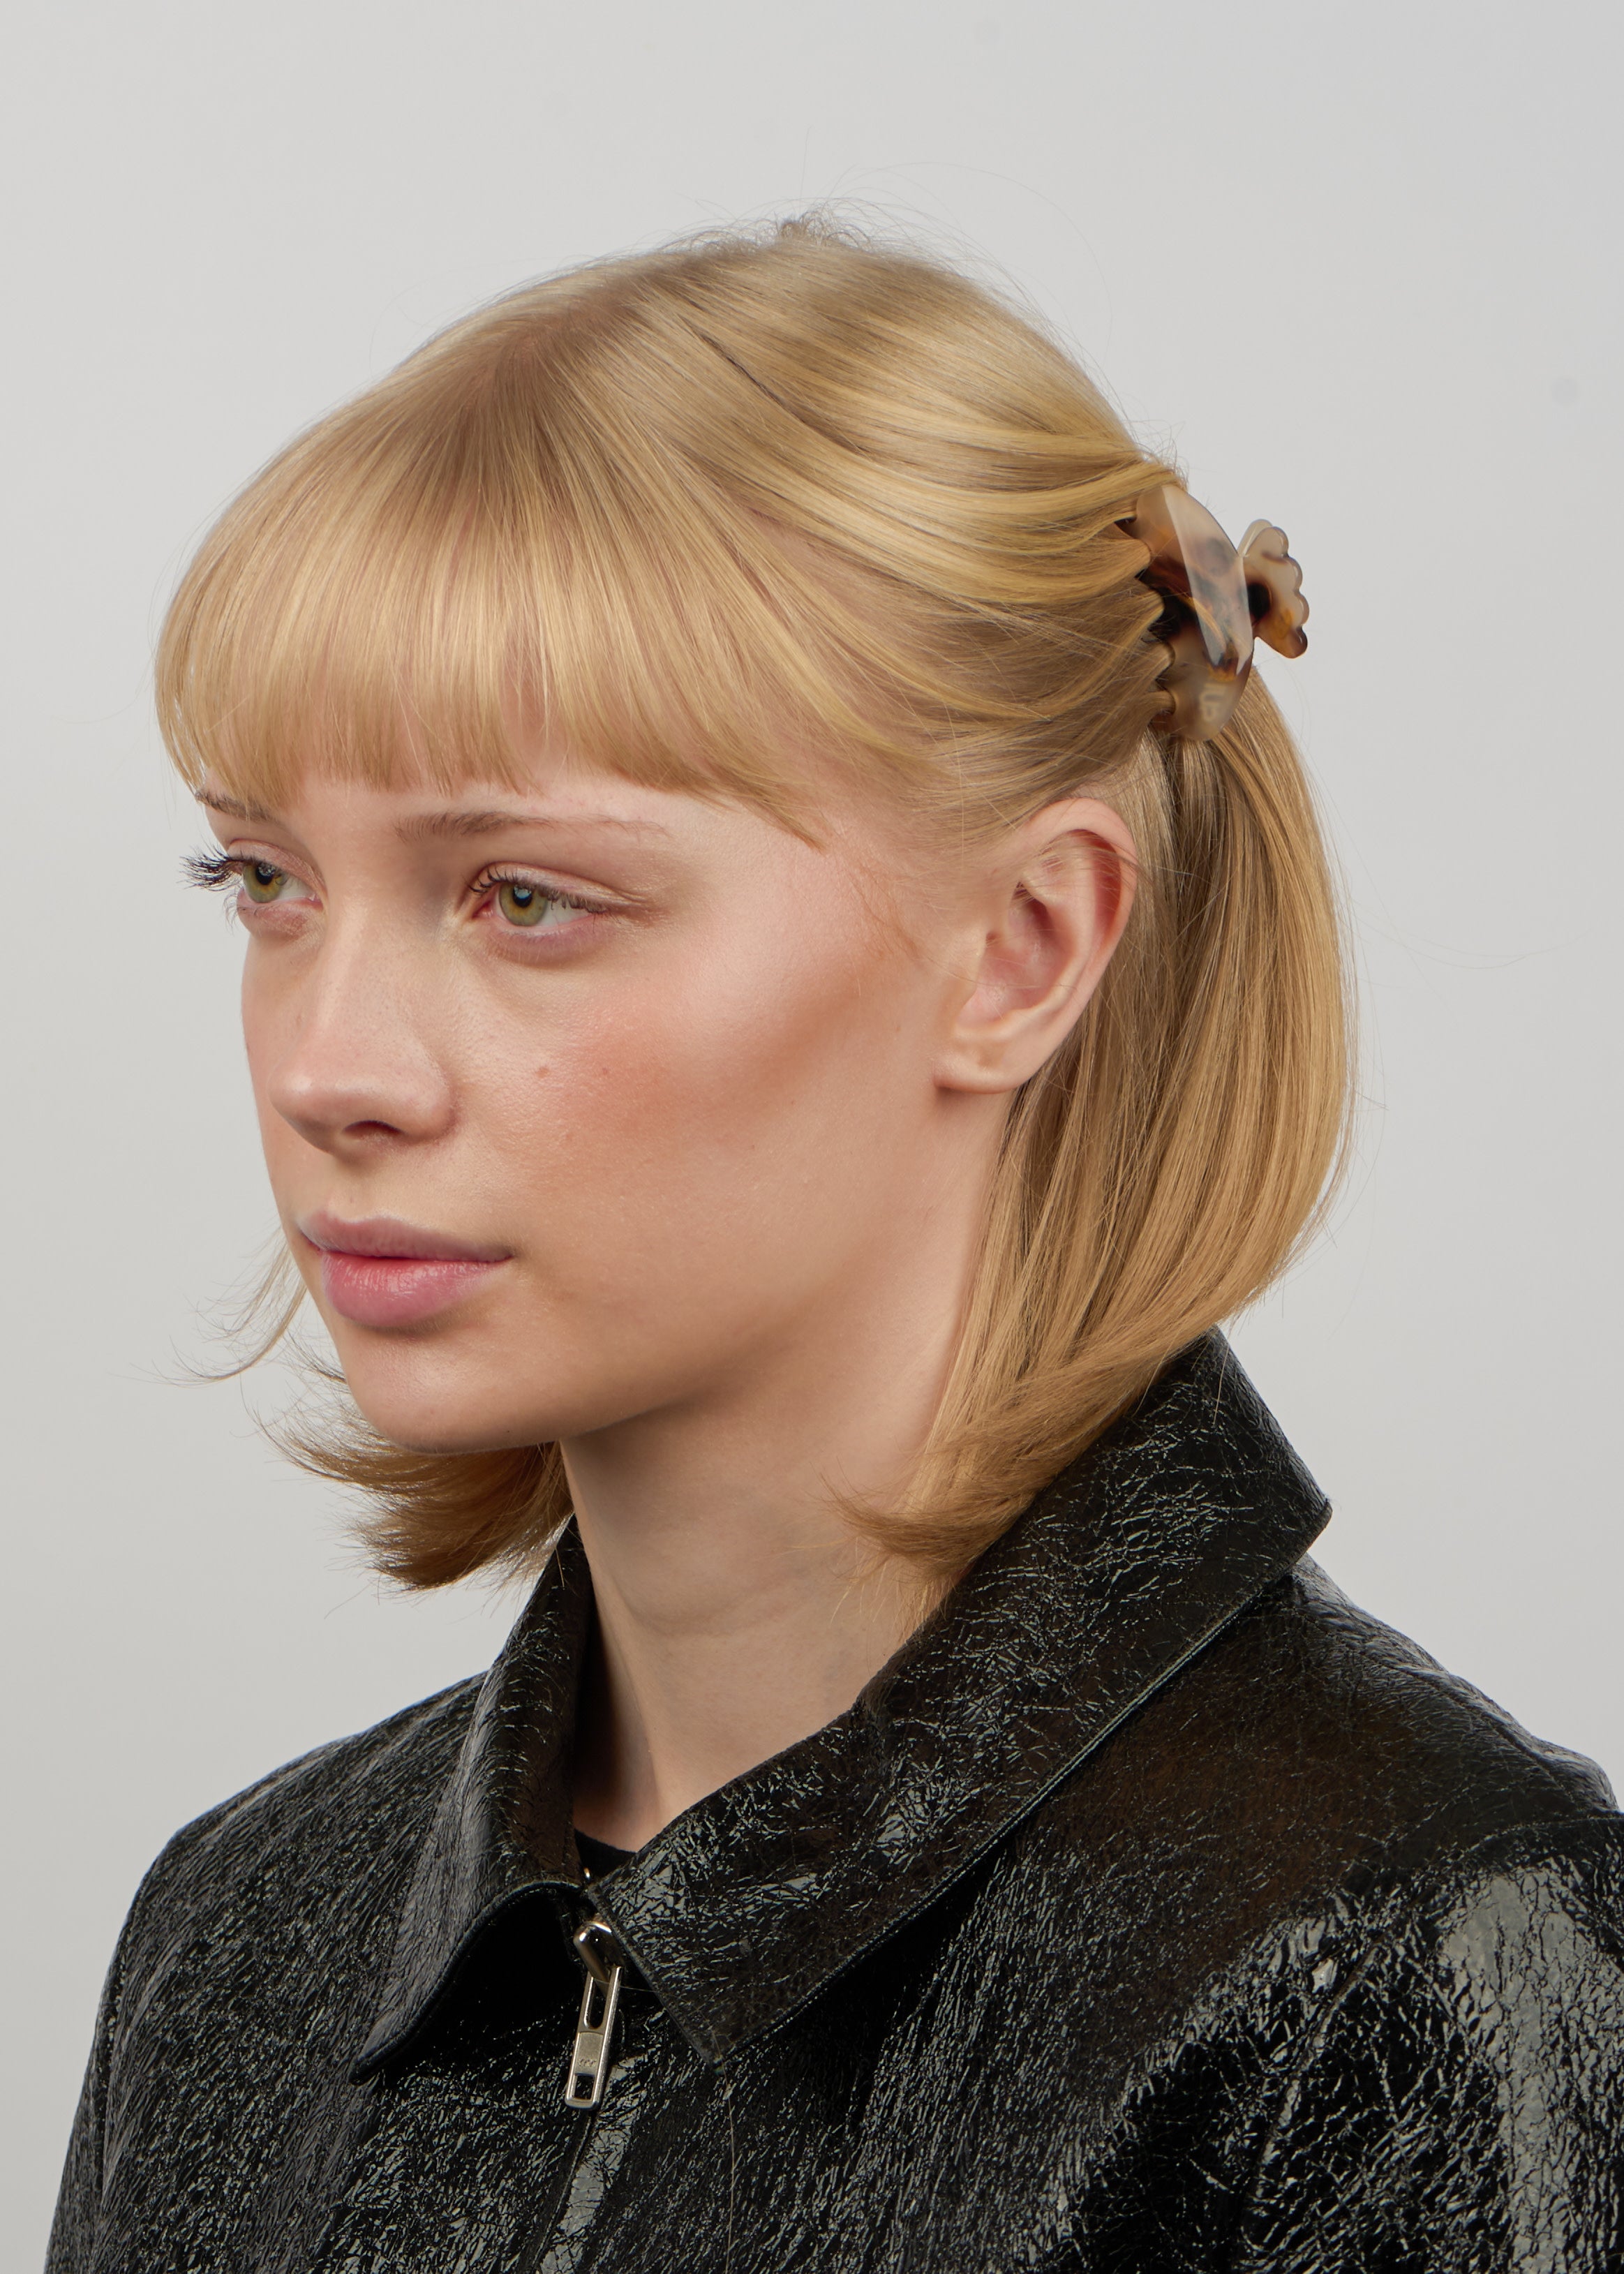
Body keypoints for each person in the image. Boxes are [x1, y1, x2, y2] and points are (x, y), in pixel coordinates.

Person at [48, 218, 1624, 2273]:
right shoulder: (245, 1933)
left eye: (528, 895)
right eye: (262, 875)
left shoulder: (1414, 1954)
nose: (329, 1062)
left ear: (1028, 945)